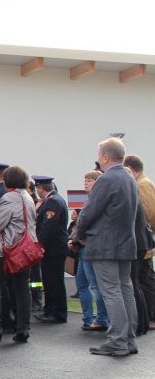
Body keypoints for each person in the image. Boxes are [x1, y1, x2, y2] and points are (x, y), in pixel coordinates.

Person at [76, 138, 146, 356]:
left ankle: (117, 340)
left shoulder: (107, 179)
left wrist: (78, 234)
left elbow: (89, 211)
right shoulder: (129, 178)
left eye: (99, 155)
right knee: (125, 290)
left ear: (105, 157)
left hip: (105, 244)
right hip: (125, 242)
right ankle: (128, 339)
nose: (98, 158)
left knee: (112, 291)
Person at [0, 166, 37, 344]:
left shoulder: (9, 198)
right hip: (26, 247)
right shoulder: (28, 197)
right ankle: (23, 328)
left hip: (8, 247)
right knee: (22, 287)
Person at [69, 172, 108, 332]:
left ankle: (101, 320)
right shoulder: (91, 200)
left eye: (89, 180)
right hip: (84, 247)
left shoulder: (96, 201)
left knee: (95, 286)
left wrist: (75, 239)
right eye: (85, 180)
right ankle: (88, 318)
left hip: (90, 247)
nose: (86, 183)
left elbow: (86, 223)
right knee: (83, 283)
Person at [123, 155, 155, 329]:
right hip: (143, 240)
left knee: (145, 280)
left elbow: (149, 213)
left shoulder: (142, 185)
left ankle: (151, 316)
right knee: (142, 279)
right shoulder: (142, 183)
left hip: (143, 241)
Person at [33, 175, 70, 324]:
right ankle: (50, 310)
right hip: (53, 248)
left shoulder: (53, 202)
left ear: (40, 188)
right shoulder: (53, 200)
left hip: (53, 249)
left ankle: (57, 312)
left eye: (37, 188)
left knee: (54, 281)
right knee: (49, 281)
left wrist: (39, 245)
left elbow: (48, 227)